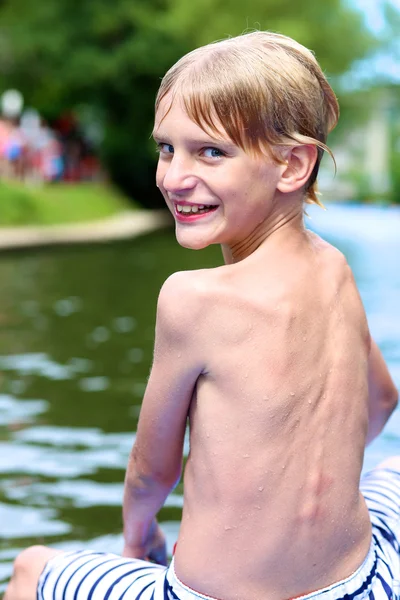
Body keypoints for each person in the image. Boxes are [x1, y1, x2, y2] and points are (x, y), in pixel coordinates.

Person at [5, 30, 399, 600]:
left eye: (210, 152)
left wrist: (137, 537)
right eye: (167, 148)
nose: (173, 176)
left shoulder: (194, 299)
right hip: (362, 585)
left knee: (32, 568)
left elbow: (150, 470)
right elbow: (383, 400)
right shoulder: (334, 267)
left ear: (293, 166)